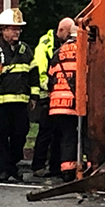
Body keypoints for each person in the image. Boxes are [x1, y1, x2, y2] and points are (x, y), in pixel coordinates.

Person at [0, 8, 39, 182]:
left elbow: (34, 75)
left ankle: (11, 165)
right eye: (13, 28)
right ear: (3, 30)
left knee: (20, 134)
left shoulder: (26, 51)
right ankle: (5, 169)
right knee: (0, 137)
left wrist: (34, 97)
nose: (16, 32)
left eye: (18, 29)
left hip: (20, 103)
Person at [31, 18, 74, 177]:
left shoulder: (59, 46)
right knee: (46, 132)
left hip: (56, 96)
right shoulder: (47, 44)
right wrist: (46, 87)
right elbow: (42, 69)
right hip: (48, 96)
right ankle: (39, 166)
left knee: (58, 134)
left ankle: (55, 167)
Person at [48, 24, 83, 181]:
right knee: (83, 135)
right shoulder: (84, 50)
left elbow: (50, 77)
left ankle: (66, 171)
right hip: (77, 101)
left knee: (66, 136)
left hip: (57, 103)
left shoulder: (59, 52)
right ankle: (82, 167)